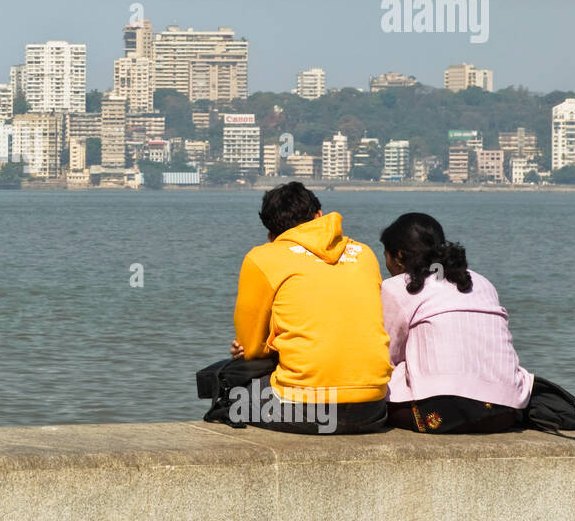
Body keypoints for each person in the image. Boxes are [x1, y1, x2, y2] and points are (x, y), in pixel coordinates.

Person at [228, 182, 393, 434]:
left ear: (271, 231)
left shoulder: (262, 257)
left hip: (307, 413)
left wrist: (271, 344)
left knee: (228, 385)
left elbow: (250, 350)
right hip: (372, 409)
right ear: (319, 215)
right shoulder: (364, 254)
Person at [379, 213, 533, 434]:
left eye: (386, 256)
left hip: (443, 414)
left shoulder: (397, 287)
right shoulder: (481, 282)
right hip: (507, 411)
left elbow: (383, 356)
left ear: (399, 256)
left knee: (374, 394)